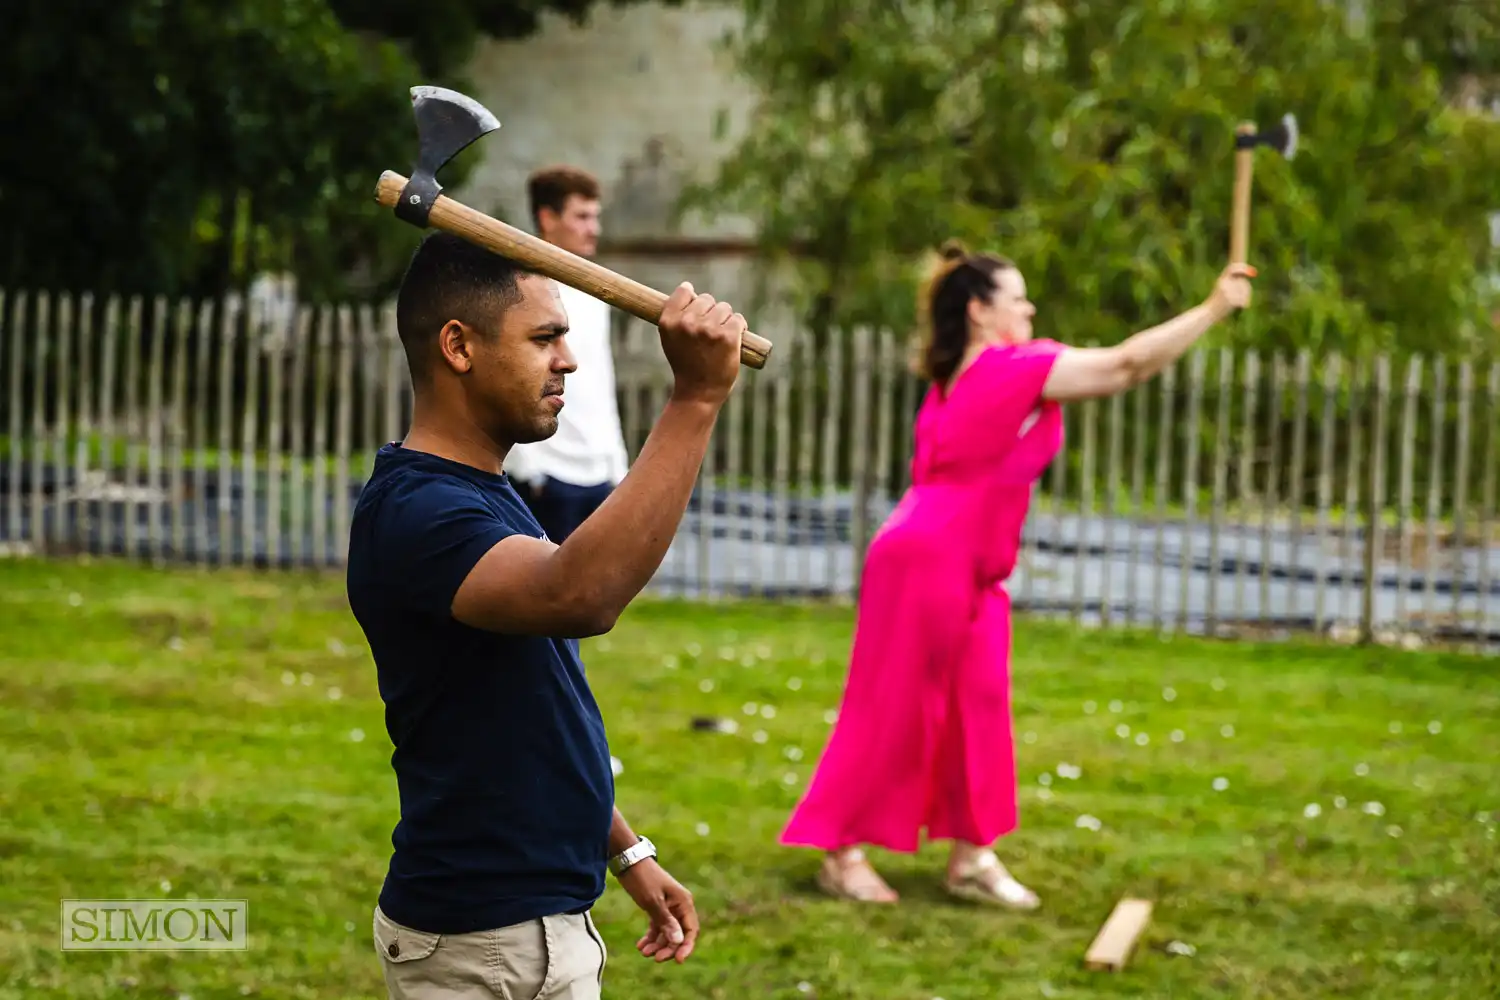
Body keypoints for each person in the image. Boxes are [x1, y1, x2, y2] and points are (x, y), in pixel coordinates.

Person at [779, 241, 1256, 907]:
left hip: (967, 565)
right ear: (980, 311)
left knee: (978, 703)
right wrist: (1212, 307)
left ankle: (972, 856)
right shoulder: (1009, 367)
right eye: (1017, 297)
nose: (1030, 307)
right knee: (892, 705)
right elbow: (1125, 365)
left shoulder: (968, 373)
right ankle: (840, 852)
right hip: (928, 562)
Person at [345, 230, 747, 999]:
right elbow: (580, 596)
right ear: (458, 347)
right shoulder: (420, 514)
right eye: (544, 338)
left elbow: (530, 713)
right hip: (483, 944)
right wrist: (695, 400)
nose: (568, 360)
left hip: (524, 924)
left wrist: (626, 852)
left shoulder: (480, 494)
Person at [503, 165, 630, 543]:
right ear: (547, 217)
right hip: (547, 478)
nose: (594, 228)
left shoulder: (597, 292)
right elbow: (513, 378)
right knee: (541, 595)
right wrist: (530, 468)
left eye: (596, 217)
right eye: (582, 217)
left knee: (598, 596)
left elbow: (599, 380)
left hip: (598, 475)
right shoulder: (522, 289)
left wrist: (616, 464)